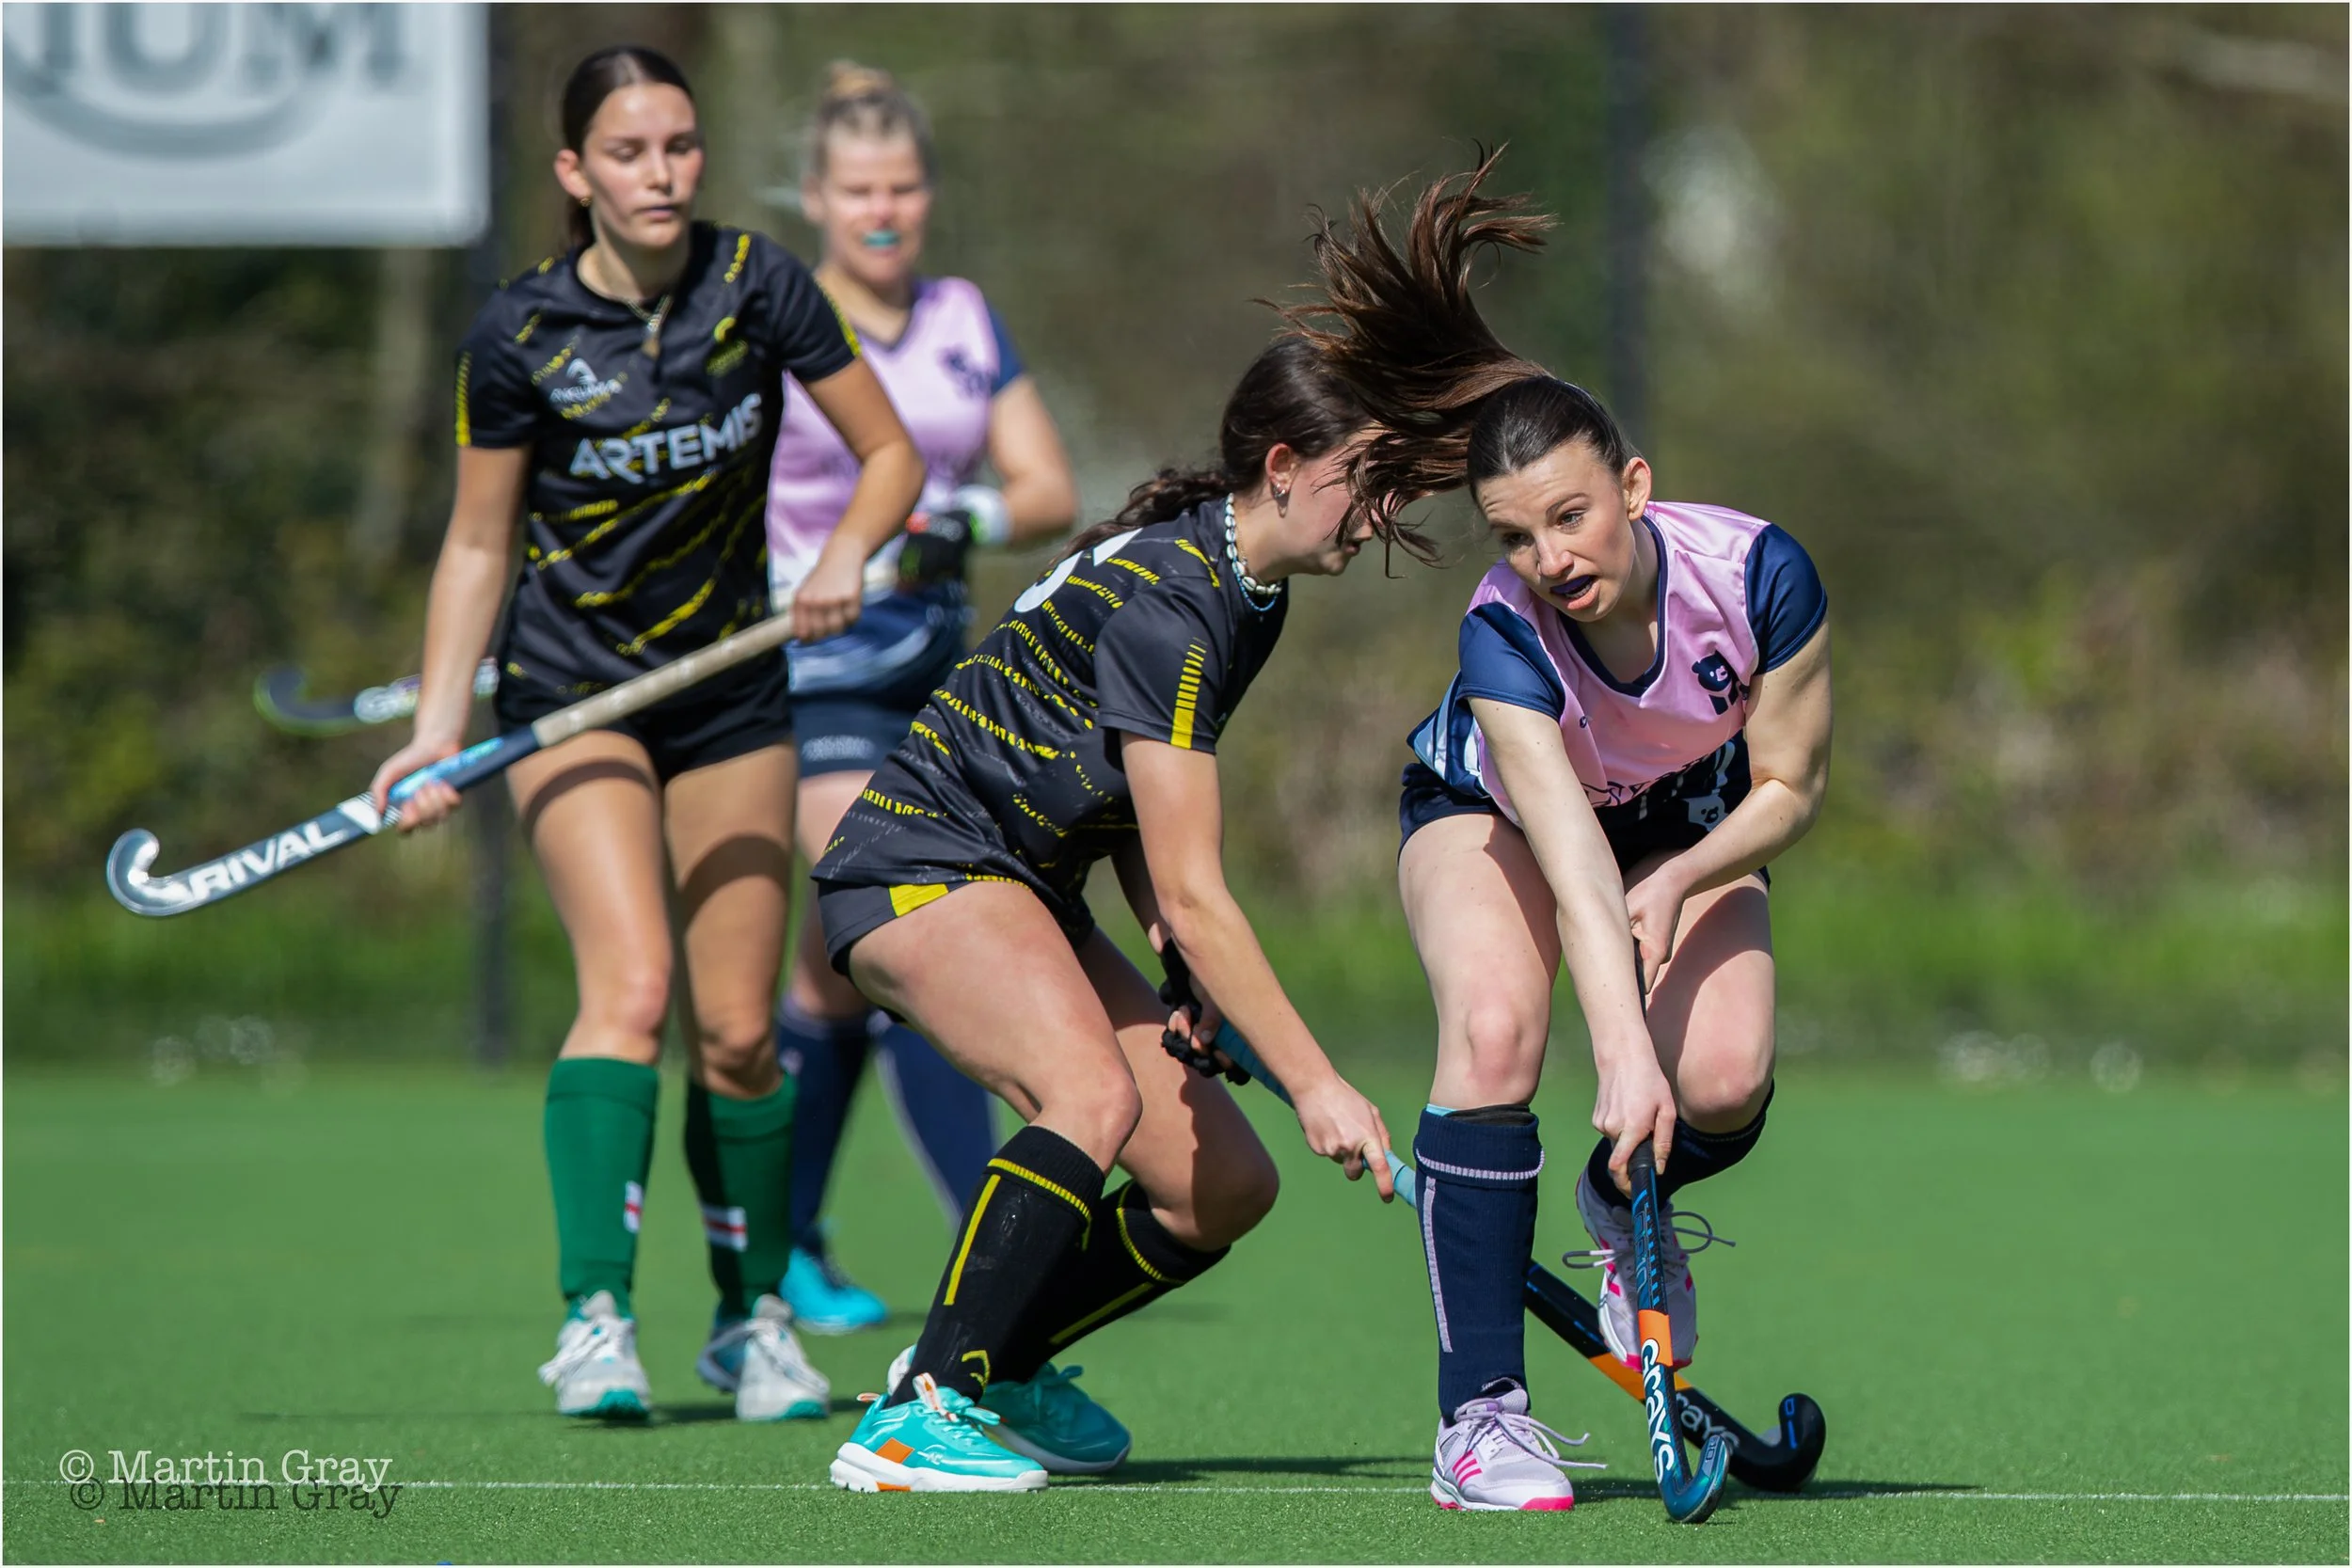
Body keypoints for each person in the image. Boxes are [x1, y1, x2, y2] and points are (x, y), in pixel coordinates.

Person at [369, 45, 925, 1424]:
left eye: (678, 146)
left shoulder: (761, 286)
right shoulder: (517, 334)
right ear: (575, 173)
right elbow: (477, 542)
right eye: (628, 152)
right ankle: (596, 1315)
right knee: (627, 988)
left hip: (732, 695)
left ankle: (752, 1321)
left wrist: (847, 551)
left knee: (740, 1030)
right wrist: (437, 728)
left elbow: (893, 456)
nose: (661, 173)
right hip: (570, 698)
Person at [1290, 157, 1834, 1511]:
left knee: (1722, 1077)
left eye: (1573, 516)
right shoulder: (1502, 636)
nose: (1552, 556)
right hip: (1495, 816)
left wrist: (1694, 876)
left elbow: (1792, 784)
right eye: (1517, 534)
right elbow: (1579, 875)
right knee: (1495, 1032)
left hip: (1689, 821)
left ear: (1635, 485)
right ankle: (1481, 1417)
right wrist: (1618, 1049)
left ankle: (1607, 1198)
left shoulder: (1759, 576)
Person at [812, 335, 1400, 1493]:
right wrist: (1317, 1079)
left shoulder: (1246, 588)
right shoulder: (1176, 605)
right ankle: (920, 1406)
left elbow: (1138, 807)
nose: (1378, 516)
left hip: (1022, 880)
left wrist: (1184, 975)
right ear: (1283, 465)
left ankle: (1006, 1355)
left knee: (1223, 1183)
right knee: (1089, 1095)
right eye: (1366, 481)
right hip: (922, 861)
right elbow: (1194, 885)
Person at [765, 62, 1080, 1334]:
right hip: (802, 682)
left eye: (901, 187)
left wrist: (967, 516)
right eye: (857, 190)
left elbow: (1048, 487)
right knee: (909, 909)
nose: (882, 210)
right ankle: (988, 1231)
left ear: (928, 195)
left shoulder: (961, 316)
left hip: (935, 685)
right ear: (815, 197)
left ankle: (780, 1245)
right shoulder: (778, 322)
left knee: (834, 975)